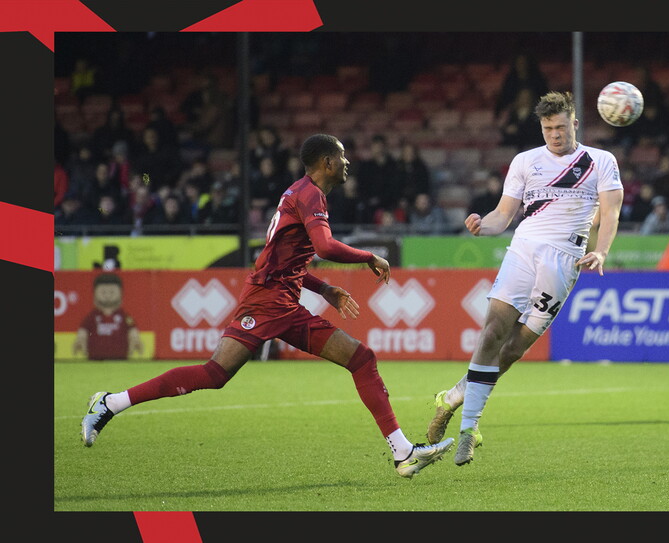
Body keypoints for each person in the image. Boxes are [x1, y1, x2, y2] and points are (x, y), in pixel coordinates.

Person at [81, 134, 454, 478]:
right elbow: (323, 248)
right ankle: (110, 403)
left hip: (283, 303)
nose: (347, 164)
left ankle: (403, 454)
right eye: (341, 157)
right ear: (326, 161)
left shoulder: (300, 192)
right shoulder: (309, 195)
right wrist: (369, 255)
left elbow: (280, 259)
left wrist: (324, 288)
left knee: (361, 359)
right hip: (266, 303)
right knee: (214, 374)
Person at [424, 91, 624, 466]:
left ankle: (452, 397)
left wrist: (603, 250)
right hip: (524, 251)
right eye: (548, 128)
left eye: (561, 127)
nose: (555, 135)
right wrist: (483, 226)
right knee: (491, 332)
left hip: (565, 262)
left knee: (513, 350)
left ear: (574, 123)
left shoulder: (600, 161)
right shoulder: (525, 161)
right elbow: (503, 215)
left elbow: (611, 212)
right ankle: (468, 430)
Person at [73, 273, 143, 360]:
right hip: (95, 360)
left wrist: (135, 340)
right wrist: (80, 340)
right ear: (94, 293)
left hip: (120, 360)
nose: (107, 295)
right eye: (103, 292)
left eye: (112, 292)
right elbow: (83, 332)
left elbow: (132, 331)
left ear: (121, 293)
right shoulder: (91, 317)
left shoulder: (124, 316)